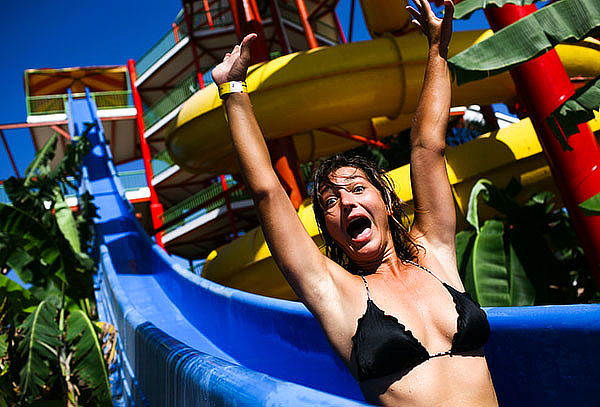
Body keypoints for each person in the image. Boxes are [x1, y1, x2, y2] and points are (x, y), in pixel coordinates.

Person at [211, 0, 498, 405]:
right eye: (330, 201)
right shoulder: (334, 291)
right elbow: (268, 192)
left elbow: (428, 147)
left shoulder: (435, 254)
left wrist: (437, 50)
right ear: (327, 227)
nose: (345, 202)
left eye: (358, 189)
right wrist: (233, 89)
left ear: (387, 202)